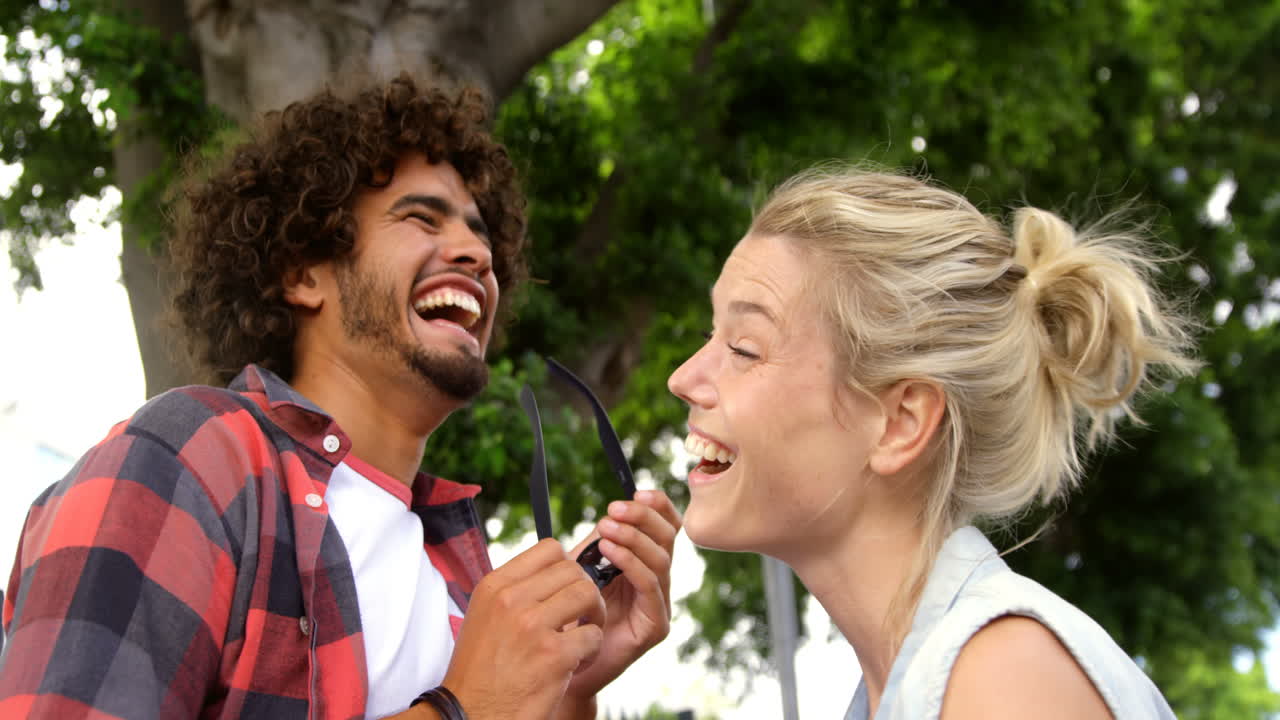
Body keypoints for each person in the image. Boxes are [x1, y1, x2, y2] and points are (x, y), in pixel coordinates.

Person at [0, 74, 682, 720]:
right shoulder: (189, 457)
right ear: (303, 273)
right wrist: (461, 706)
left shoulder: (459, 580)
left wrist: (560, 694)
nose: (476, 254)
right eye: (423, 218)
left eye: (481, 233)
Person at [667, 166, 1197, 719]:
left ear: (900, 423)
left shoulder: (1000, 682)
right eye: (712, 336)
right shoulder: (918, 684)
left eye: (745, 348)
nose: (682, 378)